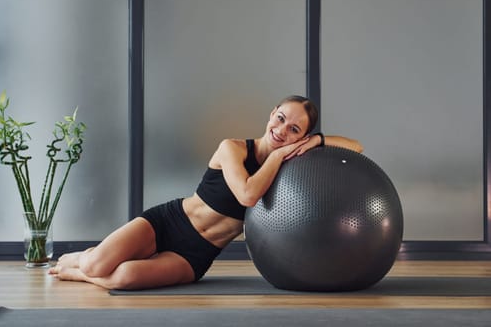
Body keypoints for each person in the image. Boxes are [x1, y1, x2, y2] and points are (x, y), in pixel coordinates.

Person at [48, 95, 363, 290]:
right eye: (280, 118)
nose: (281, 130)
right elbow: (247, 195)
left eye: (294, 129)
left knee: (124, 279)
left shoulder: (290, 166)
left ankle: (81, 273)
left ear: (302, 136)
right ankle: (83, 260)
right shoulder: (233, 148)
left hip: (196, 255)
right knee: (97, 266)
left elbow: (357, 148)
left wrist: (318, 142)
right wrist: (281, 155)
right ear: (271, 114)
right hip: (168, 222)